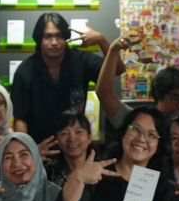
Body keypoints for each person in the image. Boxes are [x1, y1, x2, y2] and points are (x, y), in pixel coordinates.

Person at [53, 108, 179, 201]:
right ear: (123, 132)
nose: (141, 139)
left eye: (152, 135)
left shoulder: (164, 188)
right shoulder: (98, 174)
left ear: (159, 144)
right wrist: (78, 178)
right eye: (135, 129)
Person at [10, 12, 110, 145]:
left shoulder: (81, 61)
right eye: (48, 37)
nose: (54, 42)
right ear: (39, 39)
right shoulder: (25, 71)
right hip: (42, 148)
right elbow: (20, 119)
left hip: (76, 145)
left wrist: (102, 41)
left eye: (59, 36)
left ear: (66, 38)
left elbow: (118, 70)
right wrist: (29, 151)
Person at [97, 39, 179, 135]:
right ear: (161, 93)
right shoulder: (136, 120)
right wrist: (113, 50)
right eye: (177, 98)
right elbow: (104, 93)